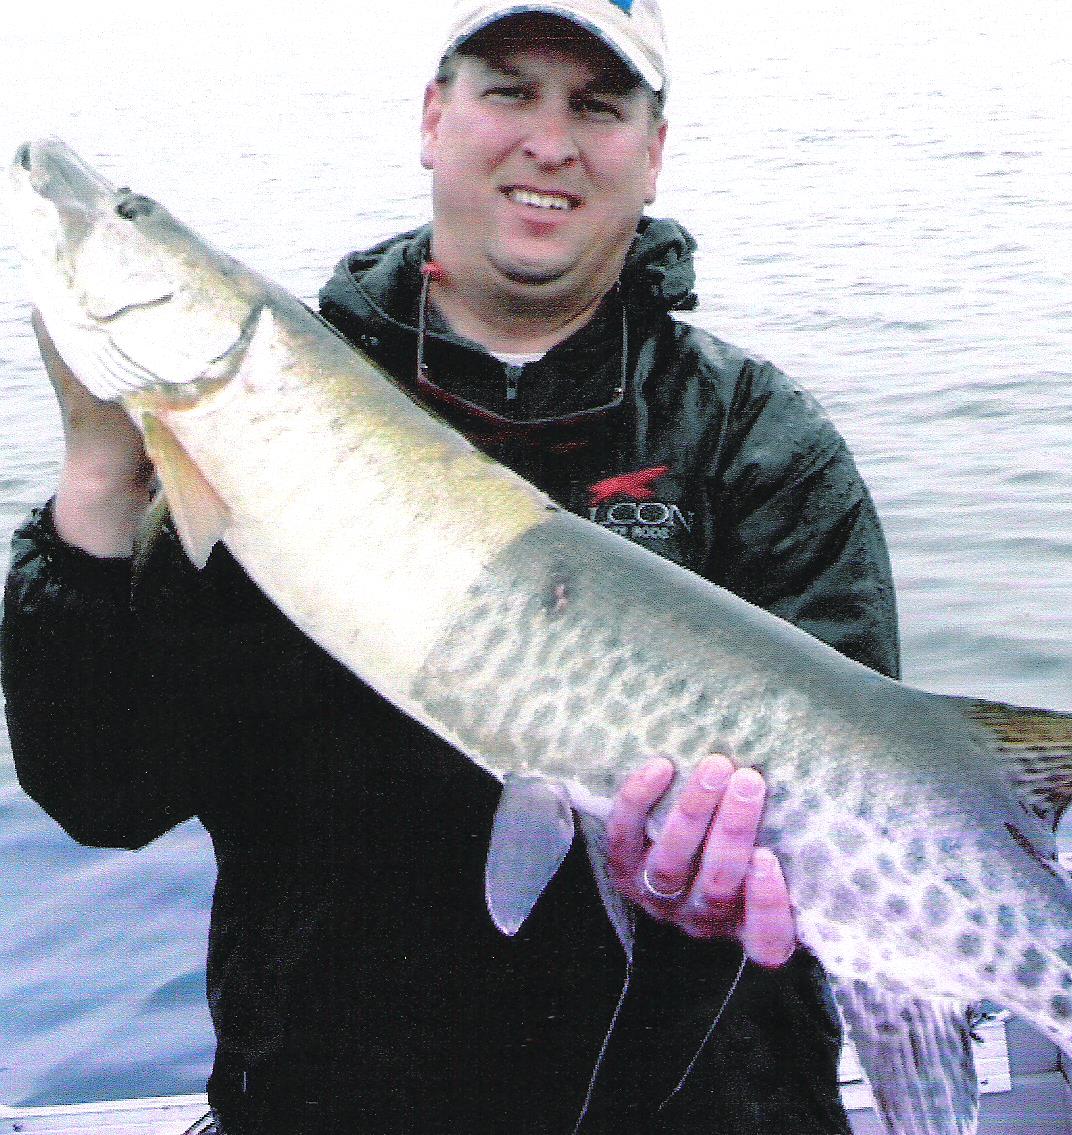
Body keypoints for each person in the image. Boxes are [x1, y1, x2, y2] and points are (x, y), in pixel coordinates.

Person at [1, 1, 900, 1131]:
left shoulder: (757, 442)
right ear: (434, 117)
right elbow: (103, 794)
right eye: (509, 91)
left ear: (654, 152)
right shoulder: (253, 431)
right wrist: (96, 476)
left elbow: (858, 803)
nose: (549, 142)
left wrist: (725, 867)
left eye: (597, 106)